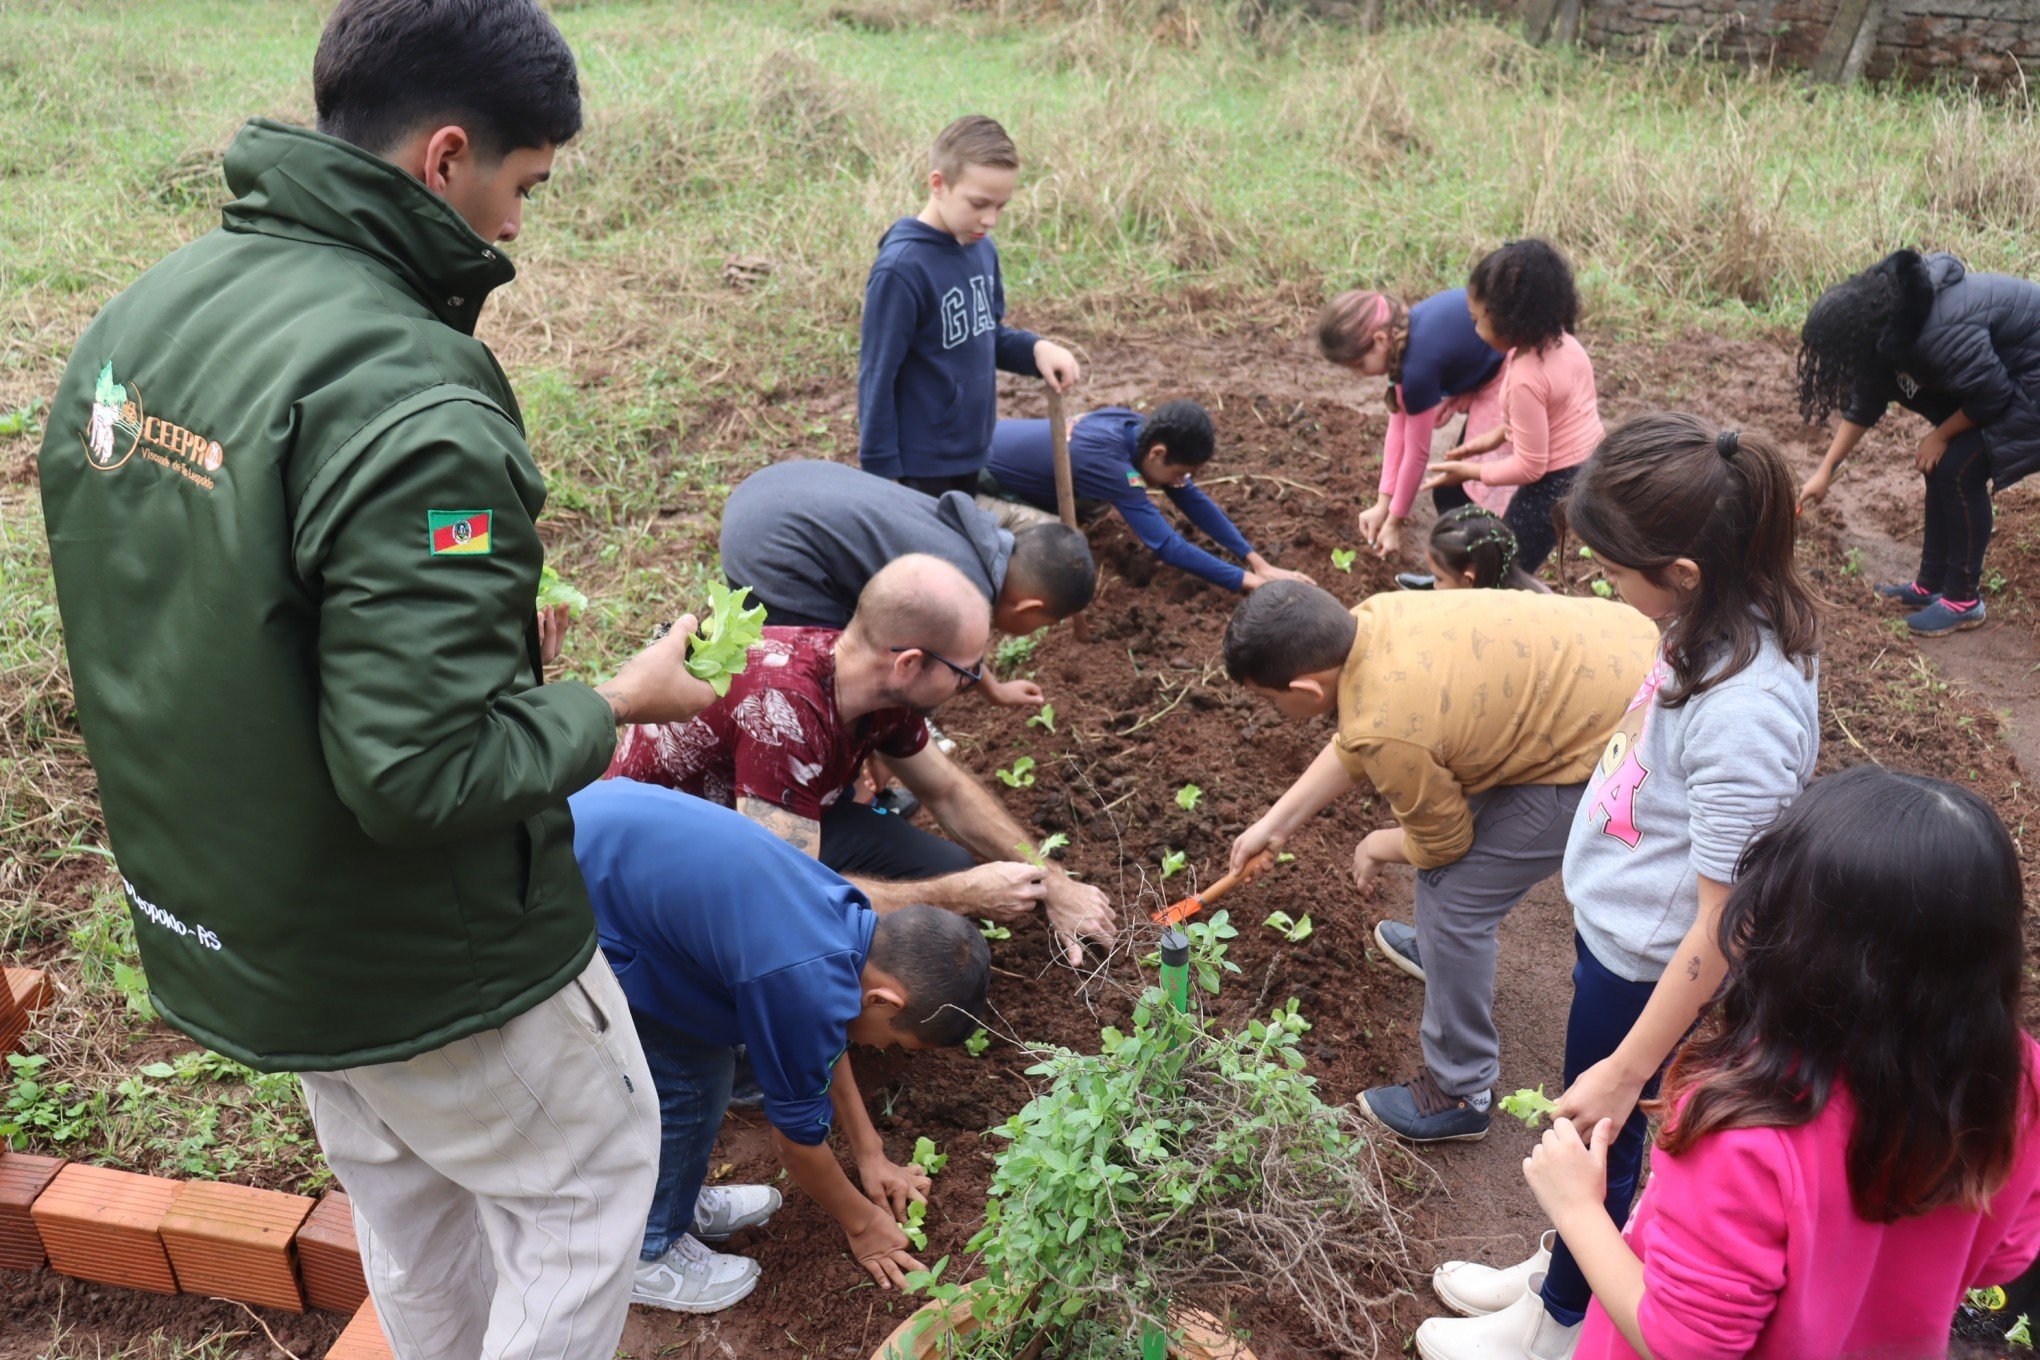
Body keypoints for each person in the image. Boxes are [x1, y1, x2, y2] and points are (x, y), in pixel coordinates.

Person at [35, 3, 721, 1356]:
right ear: (446, 155)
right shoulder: (414, 401)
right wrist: (614, 705)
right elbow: (421, 771)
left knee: (410, 1208)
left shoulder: (150, 317)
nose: (517, 229)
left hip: (256, 924)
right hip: (417, 950)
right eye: (522, 187)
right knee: (586, 1193)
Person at [1414, 413, 1821, 1360]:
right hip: (1623, 945)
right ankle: (1564, 1260)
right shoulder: (1710, 619)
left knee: (1605, 1128)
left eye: (1611, 568)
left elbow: (1727, 922)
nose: (1602, 581)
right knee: (1591, 1122)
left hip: (1654, 964)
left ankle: (1561, 1321)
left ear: (1683, 571)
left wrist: (1633, 1065)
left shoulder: (1747, 709)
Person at [1522, 766, 2040, 1360]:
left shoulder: (1747, 1122)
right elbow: (2003, 1257)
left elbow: (1682, 1345)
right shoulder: (2020, 1083)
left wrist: (1578, 1207)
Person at [1223, 581, 1655, 1144]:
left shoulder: (1389, 723)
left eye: (1269, 698)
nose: (1272, 709)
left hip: (1620, 743)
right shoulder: (1374, 619)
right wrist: (1274, 825)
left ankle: (1460, 1091)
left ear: (1306, 687)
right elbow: (1365, 732)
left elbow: (1442, 839)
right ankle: (1443, 959)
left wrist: (1377, 844)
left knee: (1452, 893)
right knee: (1455, 796)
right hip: (1625, 653)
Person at [571, 779, 989, 1310]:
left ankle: (676, 1197)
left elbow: (824, 1046)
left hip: (600, 839)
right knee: (693, 1082)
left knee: (708, 1057)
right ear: (885, 1000)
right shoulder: (805, 981)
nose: (886, 1051)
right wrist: (863, 1226)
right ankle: (648, 1252)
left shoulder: (851, 923)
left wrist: (870, 1153)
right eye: (897, 1043)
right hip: (566, 891)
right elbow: (796, 1145)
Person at [608, 555, 1116, 962]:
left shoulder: (874, 685)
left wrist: (1053, 880)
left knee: (944, 874)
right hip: (661, 872)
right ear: (910, 663)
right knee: (849, 935)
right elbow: (787, 894)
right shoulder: (781, 712)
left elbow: (948, 790)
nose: (972, 682)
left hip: (765, 826)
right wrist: (959, 894)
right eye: (967, 669)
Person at [1797, 248, 2040, 636]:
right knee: (1939, 465)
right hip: (2009, 377)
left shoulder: (1934, 333)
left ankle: (1964, 602)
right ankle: (1932, 585)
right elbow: (1868, 400)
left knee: (1960, 468)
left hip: (2029, 379)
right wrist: (1825, 471)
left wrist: (1941, 434)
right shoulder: (1889, 329)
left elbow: (1992, 394)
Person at [718, 458, 1095, 709]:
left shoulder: (982, 539)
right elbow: (901, 674)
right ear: (1029, 607)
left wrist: (993, 690)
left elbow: (963, 652)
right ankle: (853, 787)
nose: (1036, 633)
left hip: (773, 486)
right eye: (1045, 625)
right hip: (771, 551)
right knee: (828, 674)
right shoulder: (960, 591)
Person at [857, 115, 1078, 496]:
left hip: (970, 450)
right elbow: (877, 375)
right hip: (920, 465)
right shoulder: (902, 270)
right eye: (978, 204)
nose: (990, 220)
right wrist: (881, 476)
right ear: (939, 184)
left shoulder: (981, 249)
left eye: (1001, 206)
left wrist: (1035, 349)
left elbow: (986, 334)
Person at [981, 400, 1315, 593]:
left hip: (1004, 450)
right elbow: (1168, 547)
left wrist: (1257, 561)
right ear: (1157, 454)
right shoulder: (1111, 466)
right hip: (973, 479)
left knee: (1094, 505)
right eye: (1180, 472)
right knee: (1058, 541)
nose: (1182, 482)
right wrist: (1250, 584)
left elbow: (1191, 500)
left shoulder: (1138, 430)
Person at [1421, 239, 1604, 580]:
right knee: (1503, 551)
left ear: (1509, 321)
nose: (1474, 330)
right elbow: (1554, 415)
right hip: (1583, 463)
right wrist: (1489, 441)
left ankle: (1497, 610)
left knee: (1507, 568)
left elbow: (1531, 466)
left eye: (1477, 320)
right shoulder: (1562, 341)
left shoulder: (1525, 378)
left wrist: (1470, 471)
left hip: (1555, 483)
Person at [1318, 285, 1507, 561]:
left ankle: (1486, 565)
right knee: (1452, 493)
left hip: (1511, 372)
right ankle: (1464, 564)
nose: (1358, 375)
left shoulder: (1417, 368)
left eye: (1358, 365)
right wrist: (1383, 503)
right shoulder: (1404, 337)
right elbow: (1398, 427)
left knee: (1469, 494)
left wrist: (1395, 523)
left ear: (1381, 340)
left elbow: (1417, 454)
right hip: (1489, 363)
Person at [1399, 505, 1548, 593]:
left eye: (1439, 579)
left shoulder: (1490, 621)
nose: (1434, 586)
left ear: (1468, 579)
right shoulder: (1527, 586)